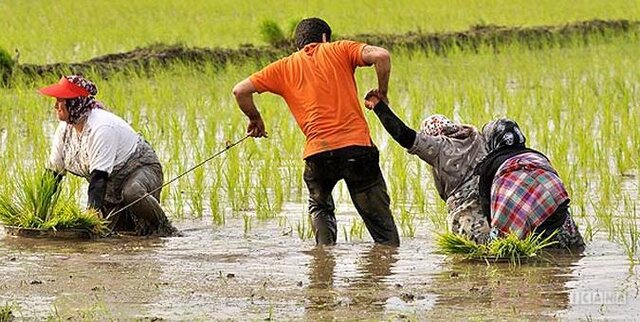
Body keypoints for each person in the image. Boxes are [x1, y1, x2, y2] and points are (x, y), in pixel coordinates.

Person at [232, 17, 400, 246]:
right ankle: (388, 266)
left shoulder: (283, 66)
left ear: (298, 45)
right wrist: (382, 92)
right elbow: (382, 56)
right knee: (384, 234)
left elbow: (240, 91)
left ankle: (323, 260)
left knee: (320, 207)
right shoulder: (340, 49)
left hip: (318, 154)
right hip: (358, 149)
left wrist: (255, 118)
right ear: (324, 38)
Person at [39, 75, 178, 236]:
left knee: (132, 192)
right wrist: (39, 208)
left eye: (60, 101)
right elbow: (53, 174)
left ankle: (167, 230)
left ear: (74, 103)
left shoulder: (101, 128)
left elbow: (99, 176)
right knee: (109, 236)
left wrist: (92, 211)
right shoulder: (64, 130)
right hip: (110, 184)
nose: (56, 106)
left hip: (139, 168)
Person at [363, 90, 490, 243]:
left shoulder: (439, 146)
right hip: (491, 208)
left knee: (467, 256)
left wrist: (379, 107)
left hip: (465, 215)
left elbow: (404, 135)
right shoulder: (475, 137)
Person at [475, 118, 584, 249]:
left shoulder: (489, 165)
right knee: (568, 253)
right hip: (556, 204)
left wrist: (495, 235)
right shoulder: (536, 155)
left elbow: (487, 205)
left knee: (530, 257)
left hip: (525, 213)